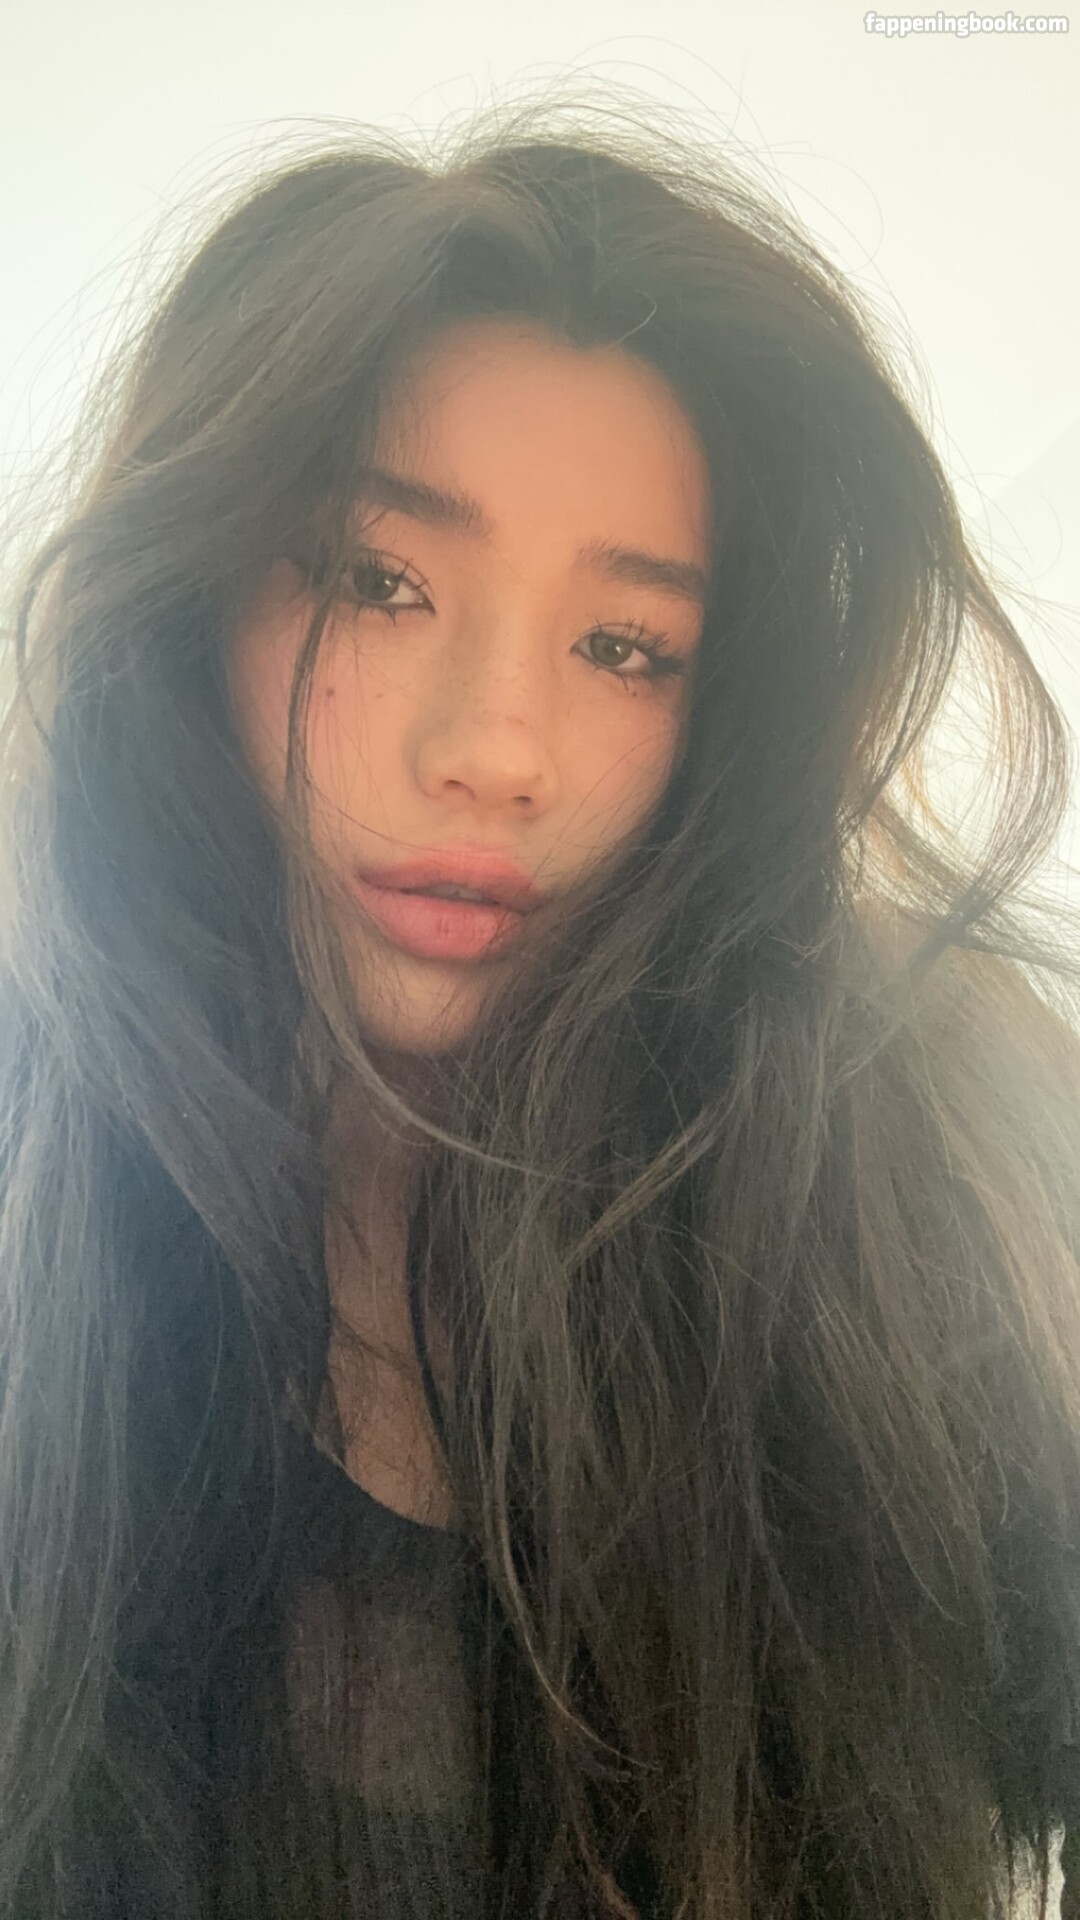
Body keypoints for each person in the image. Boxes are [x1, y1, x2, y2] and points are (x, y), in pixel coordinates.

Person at [0, 85, 1079, 1920]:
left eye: (625, 647)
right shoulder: (41, 1203)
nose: (499, 749)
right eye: (379, 581)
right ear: (193, 599)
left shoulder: (927, 1144)